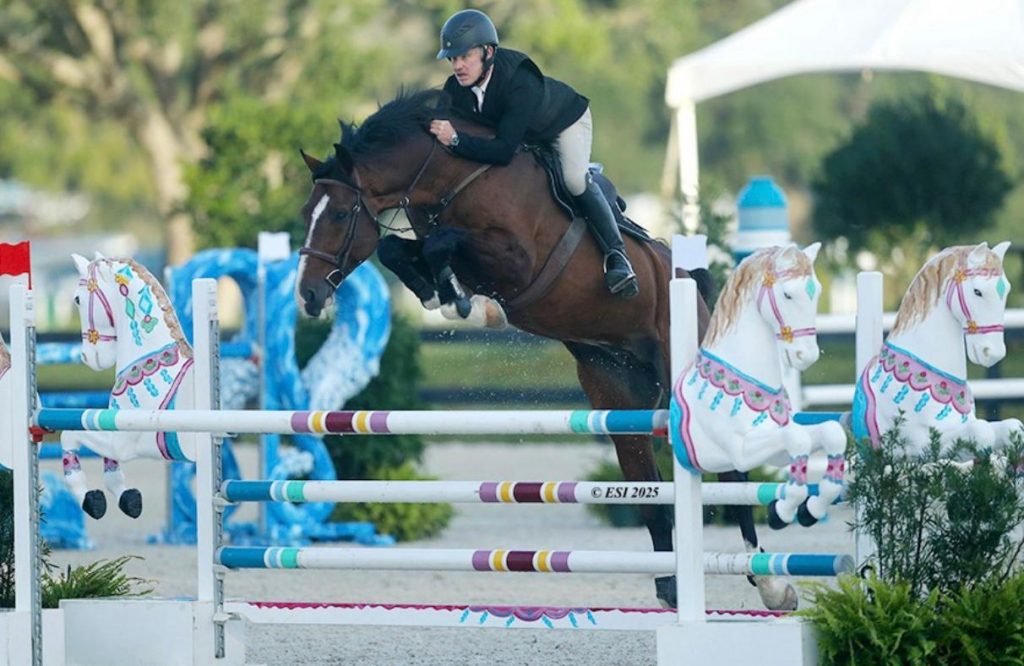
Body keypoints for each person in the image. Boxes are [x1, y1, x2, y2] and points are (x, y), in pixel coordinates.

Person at [430, 9, 638, 299]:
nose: (458, 66)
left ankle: (618, 256)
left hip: (563, 123)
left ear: (488, 52)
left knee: (573, 180)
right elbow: (437, 132)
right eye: (453, 59)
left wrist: (454, 139)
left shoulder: (519, 79)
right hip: (524, 135)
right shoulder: (455, 88)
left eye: (465, 56)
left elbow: (502, 151)